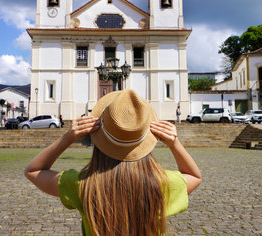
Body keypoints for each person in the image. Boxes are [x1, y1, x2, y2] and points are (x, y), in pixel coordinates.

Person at [25, 89, 202, 236]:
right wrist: (174, 142)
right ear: (146, 137)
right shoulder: (162, 185)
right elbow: (195, 176)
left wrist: (67, 137)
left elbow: (33, 171)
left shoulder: (83, 186)